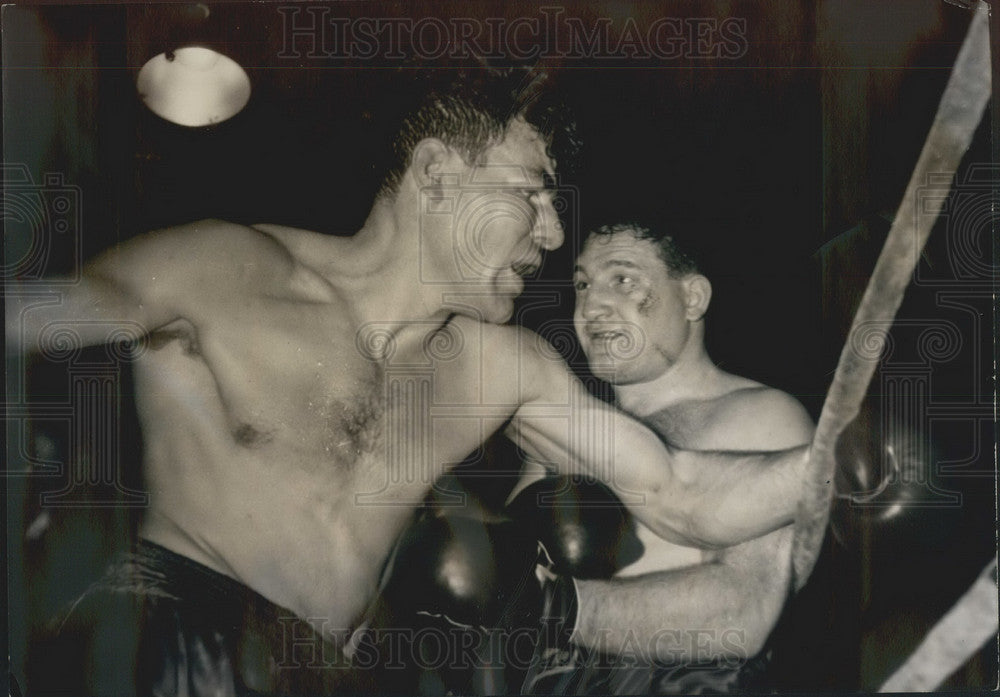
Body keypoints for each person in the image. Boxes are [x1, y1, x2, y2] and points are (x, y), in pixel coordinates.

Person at [7, 71, 808, 695]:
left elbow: (680, 489)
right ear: (436, 174)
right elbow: (26, 323)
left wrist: (831, 455)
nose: (554, 234)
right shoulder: (226, 267)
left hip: (336, 674)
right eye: (531, 193)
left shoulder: (505, 365)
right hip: (180, 636)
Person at [510, 221, 815, 694]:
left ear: (692, 298)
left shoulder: (759, 416)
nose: (592, 305)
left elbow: (745, 610)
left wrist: (555, 607)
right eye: (583, 284)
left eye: (623, 280)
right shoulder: (563, 438)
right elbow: (490, 593)